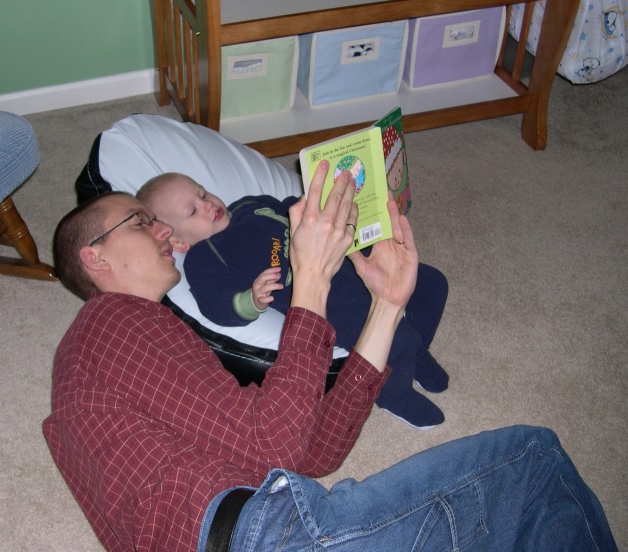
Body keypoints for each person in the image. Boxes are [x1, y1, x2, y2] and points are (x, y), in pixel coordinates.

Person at [44, 162, 616, 552]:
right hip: (267, 536)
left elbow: (310, 453)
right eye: (142, 222)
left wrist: (387, 311)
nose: (163, 230)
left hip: (261, 525)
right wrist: (310, 277)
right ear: (95, 258)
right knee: (533, 461)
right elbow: (277, 446)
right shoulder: (112, 323)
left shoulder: (125, 351)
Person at [136, 171, 449, 428]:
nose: (206, 205)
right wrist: (250, 301)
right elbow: (213, 303)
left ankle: (418, 351)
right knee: (398, 336)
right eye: (192, 211)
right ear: (177, 240)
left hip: (350, 260)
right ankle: (393, 394)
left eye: (203, 194)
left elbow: (290, 207)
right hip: (330, 299)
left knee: (432, 285)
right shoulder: (204, 256)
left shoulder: (249, 205)